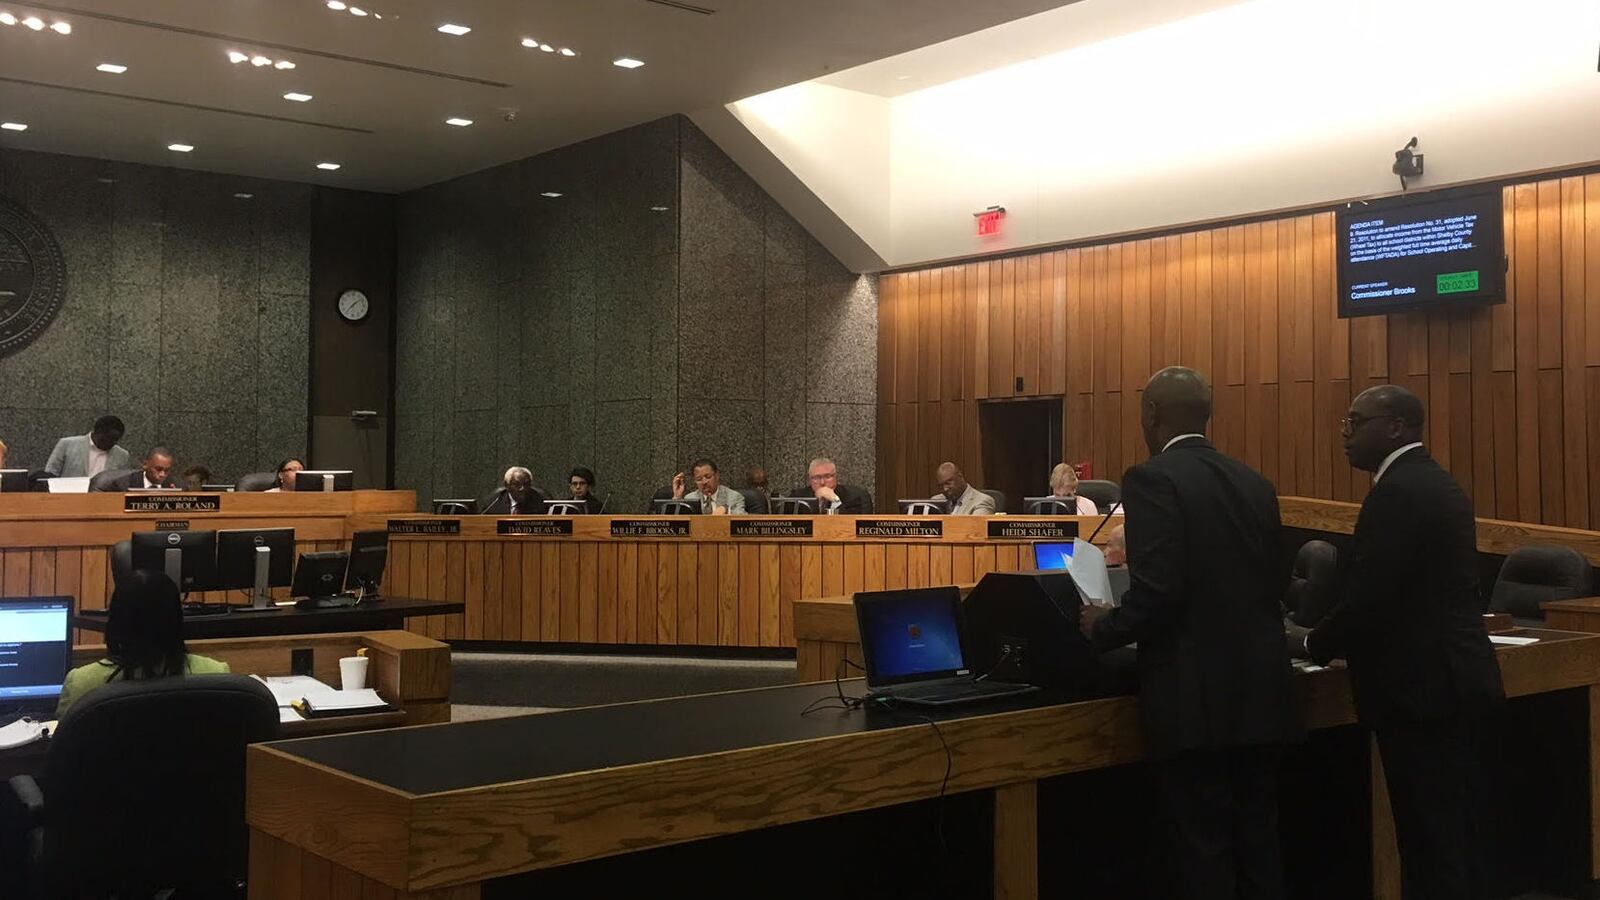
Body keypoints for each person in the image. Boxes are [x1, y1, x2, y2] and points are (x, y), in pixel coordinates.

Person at [1078, 367, 1299, 899]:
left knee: (1202, 852)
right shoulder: (1255, 482)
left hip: (1195, 699)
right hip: (1263, 693)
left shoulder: (1153, 478)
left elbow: (1158, 592)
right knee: (1259, 846)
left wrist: (1102, 626)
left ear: (1151, 413)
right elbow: (1274, 584)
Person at [1288, 385, 1503, 900]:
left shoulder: (1399, 493)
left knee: (1430, 843)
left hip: (1420, 694)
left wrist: (1312, 644)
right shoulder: (1431, 482)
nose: (1345, 433)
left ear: (1396, 427)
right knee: (1454, 836)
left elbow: (1370, 598)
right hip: (1452, 683)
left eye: (1355, 422)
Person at [56, 570, 230, 717]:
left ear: (115, 620)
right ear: (176, 620)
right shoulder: (215, 675)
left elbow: (63, 750)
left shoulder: (81, 684)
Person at [44, 415, 129, 478]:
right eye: (109, 438)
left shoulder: (122, 455)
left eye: (116, 439)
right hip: (68, 497)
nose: (113, 442)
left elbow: (121, 482)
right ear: (98, 432)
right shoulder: (67, 445)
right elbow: (50, 474)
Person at [673, 458, 746, 515]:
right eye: (699, 479)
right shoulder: (690, 499)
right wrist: (677, 497)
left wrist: (727, 510)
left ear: (717, 476)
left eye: (708, 477)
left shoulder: (734, 497)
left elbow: (743, 522)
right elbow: (678, 526)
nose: (704, 482)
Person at [798, 458, 869, 514]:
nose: (822, 482)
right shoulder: (799, 498)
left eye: (827, 477)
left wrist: (835, 501)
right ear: (810, 479)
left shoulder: (855, 497)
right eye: (816, 478)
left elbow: (854, 526)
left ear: (835, 477)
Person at [94, 447, 177, 491]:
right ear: (145, 465)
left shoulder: (175, 486)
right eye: (158, 469)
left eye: (166, 470)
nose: (162, 474)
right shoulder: (123, 485)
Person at [481, 466, 547, 515]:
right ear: (507, 485)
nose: (522, 488)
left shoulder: (541, 502)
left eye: (526, 484)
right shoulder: (493, 503)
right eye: (517, 484)